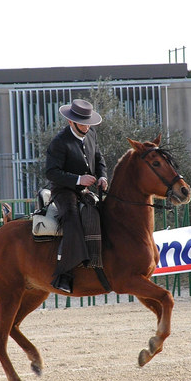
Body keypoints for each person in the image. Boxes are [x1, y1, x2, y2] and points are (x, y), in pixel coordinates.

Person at [45, 99, 108, 293]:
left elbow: (99, 159)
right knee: (72, 219)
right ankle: (64, 275)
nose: (87, 127)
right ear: (71, 122)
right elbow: (51, 172)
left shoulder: (91, 134)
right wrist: (79, 179)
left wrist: (103, 177)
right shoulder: (59, 142)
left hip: (86, 190)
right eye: (83, 123)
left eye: (89, 123)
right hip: (63, 191)